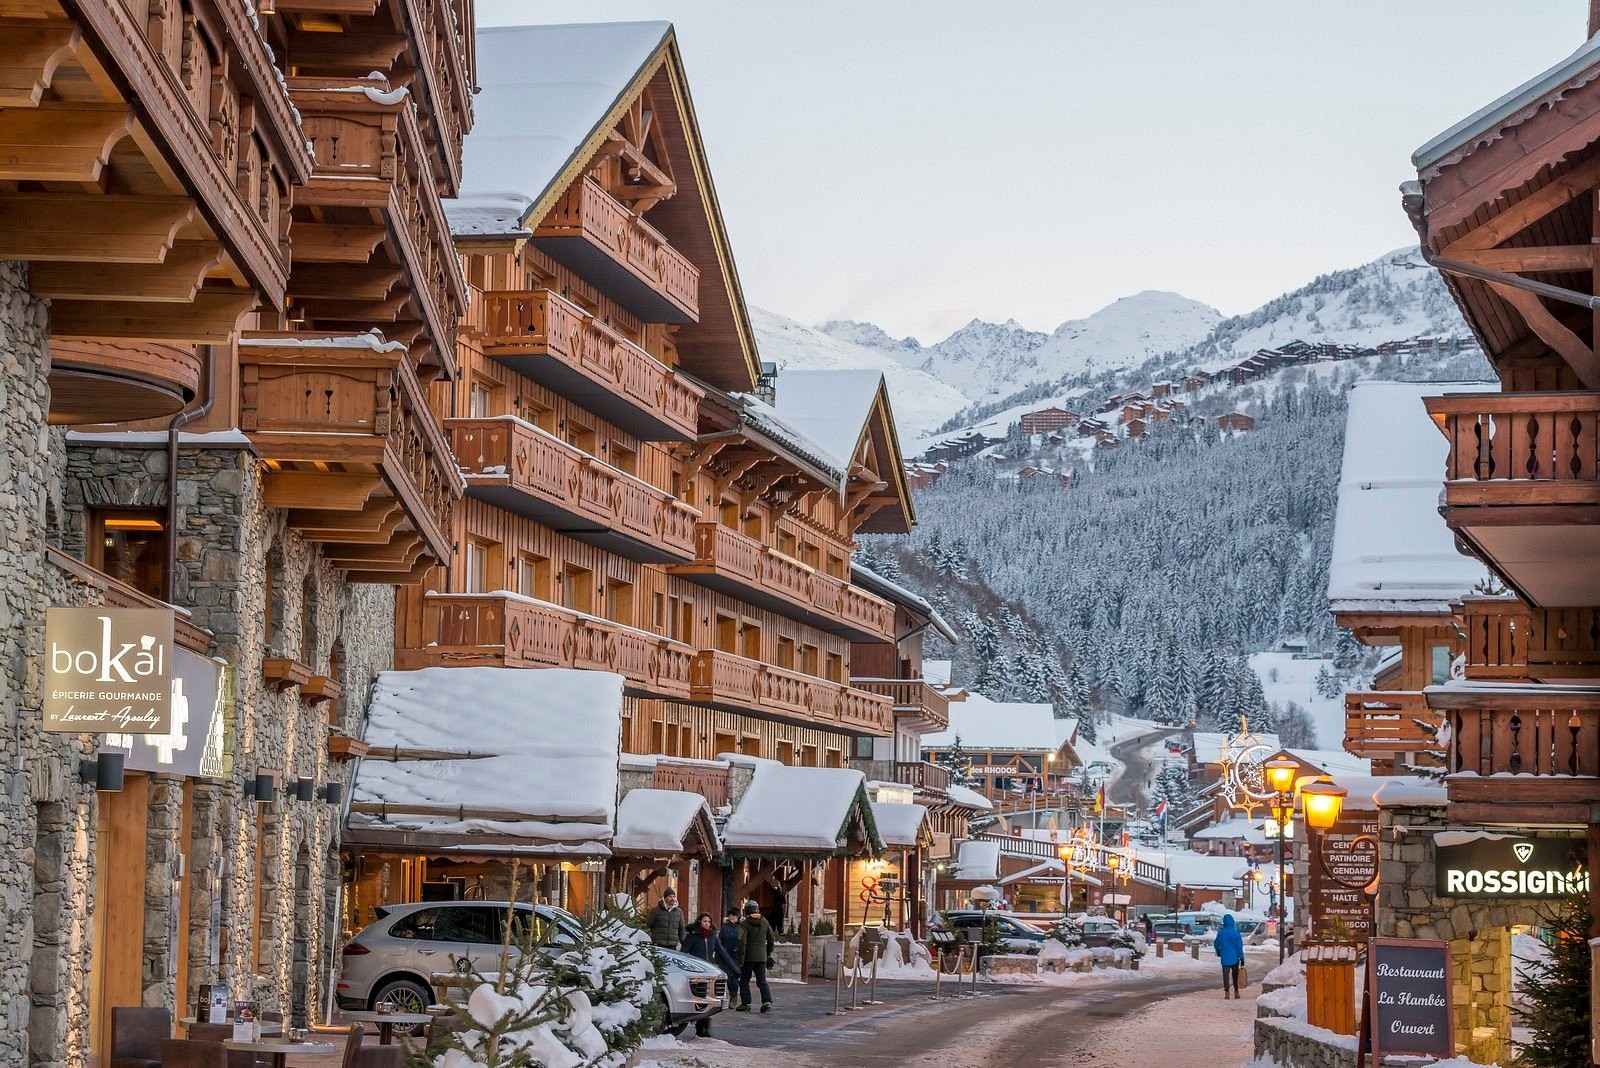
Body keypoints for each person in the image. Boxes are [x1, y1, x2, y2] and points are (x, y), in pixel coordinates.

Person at [680, 914, 738, 1036]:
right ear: (699, 922)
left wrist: (734, 969)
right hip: (696, 972)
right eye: (704, 921)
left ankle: (704, 1026)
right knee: (700, 998)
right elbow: (683, 953)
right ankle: (700, 1027)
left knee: (709, 999)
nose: (707, 923)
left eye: (709, 921)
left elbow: (722, 952)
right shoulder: (692, 937)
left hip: (709, 971)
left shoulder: (712, 937)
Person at [734, 899, 775, 1013]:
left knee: (744, 981)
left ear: (746, 911)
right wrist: (767, 953)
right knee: (762, 980)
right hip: (761, 957)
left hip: (748, 958)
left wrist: (740, 958)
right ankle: (766, 1002)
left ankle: (746, 1003)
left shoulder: (744, 924)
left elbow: (741, 942)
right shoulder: (765, 922)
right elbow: (771, 939)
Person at [1215, 913, 1245, 999]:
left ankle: (1227, 993)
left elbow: (1216, 943)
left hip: (1225, 958)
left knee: (1225, 976)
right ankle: (1236, 992)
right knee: (1235, 975)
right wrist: (1242, 958)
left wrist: (1219, 951)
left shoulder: (1221, 933)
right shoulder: (1236, 933)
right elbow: (1239, 947)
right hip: (1235, 958)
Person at [717, 908, 743, 974]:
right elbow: (719, 941)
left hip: (737, 956)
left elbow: (743, 941)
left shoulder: (741, 927)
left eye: (733, 915)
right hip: (725, 954)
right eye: (730, 915)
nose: (731, 917)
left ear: (738, 916)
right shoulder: (724, 927)